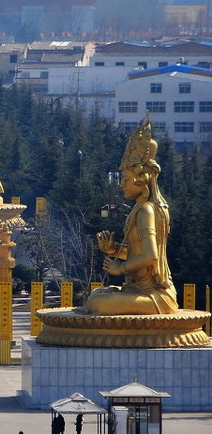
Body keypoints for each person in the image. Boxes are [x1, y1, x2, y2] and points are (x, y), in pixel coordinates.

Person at [85, 117, 177, 316]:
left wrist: (121, 269)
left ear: (142, 180)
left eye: (126, 179)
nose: (122, 184)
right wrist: (114, 249)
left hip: (154, 295)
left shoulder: (147, 210)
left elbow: (151, 256)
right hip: (138, 290)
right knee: (97, 296)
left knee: (98, 303)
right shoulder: (139, 209)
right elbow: (139, 253)